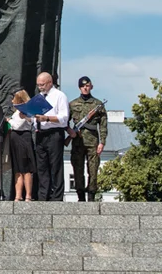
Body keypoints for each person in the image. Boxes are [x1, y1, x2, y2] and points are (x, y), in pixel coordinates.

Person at [68, 76, 108, 202]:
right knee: (78, 169)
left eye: (87, 86)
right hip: (78, 142)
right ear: (79, 87)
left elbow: (103, 124)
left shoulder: (97, 104)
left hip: (93, 141)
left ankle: (91, 195)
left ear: (91, 86)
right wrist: (70, 131)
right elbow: (65, 120)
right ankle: (80, 196)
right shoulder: (73, 104)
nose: (85, 88)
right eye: (83, 86)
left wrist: (102, 142)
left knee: (93, 169)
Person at [34, 71, 69, 201]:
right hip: (40, 133)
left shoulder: (59, 96)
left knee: (55, 166)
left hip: (54, 133)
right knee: (42, 167)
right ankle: (43, 196)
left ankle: (57, 197)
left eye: (42, 84)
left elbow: (64, 118)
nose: (40, 87)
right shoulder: (39, 97)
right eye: (38, 85)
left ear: (50, 83)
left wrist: (47, 118)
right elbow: (35, 117)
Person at [7, 89, 36, 201]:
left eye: (14, 97)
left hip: (23, 138)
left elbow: (18, 125)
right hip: (15, 139)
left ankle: (28, 195)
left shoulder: (24, 111)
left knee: (26, 168)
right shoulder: (16, 111)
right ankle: (18, 195)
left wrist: (8, 121)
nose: (12, 100)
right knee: (18, 169)